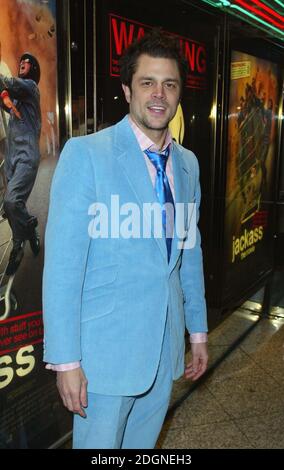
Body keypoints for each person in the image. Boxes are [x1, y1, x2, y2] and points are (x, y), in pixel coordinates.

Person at [43, 30, 208, 449]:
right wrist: (66, 361)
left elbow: (189, 255)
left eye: (169, 84)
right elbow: (63, 269)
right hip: (103, 357)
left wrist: (198, 333)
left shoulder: (187, 165)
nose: (159, 94)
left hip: (164, 348)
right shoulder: (86, 155)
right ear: (126, 89)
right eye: (147, 82)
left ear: (178, 95)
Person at [0, 52, 41, 276]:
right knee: (13, 206)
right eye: (21, 61)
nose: (22, 63)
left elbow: (6, 83)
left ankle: (26, 233)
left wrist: (4, 89)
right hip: (13, 158)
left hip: (26, 157)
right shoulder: (17, 98)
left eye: (27, 62)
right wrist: (4, 99)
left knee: (11, 201)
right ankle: (25, 236)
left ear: (33, 69)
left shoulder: (30, 87)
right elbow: (5, 96)